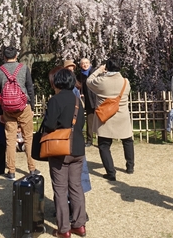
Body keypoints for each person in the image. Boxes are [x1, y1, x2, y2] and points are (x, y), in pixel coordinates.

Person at [44, 68, 88, 238]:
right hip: (77, 149)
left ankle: (64, 229)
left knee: (60, 189)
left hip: (60, 150)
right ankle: (79, 224)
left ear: (58, 82)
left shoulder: (55, 100)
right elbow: (81, 124)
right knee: (76, 186)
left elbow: (49, 125)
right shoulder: (78, 101)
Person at [0, 46, 38, 179]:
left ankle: (11, 171)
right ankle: (32, 168)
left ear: (4, 57)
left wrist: (0, 112)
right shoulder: (23, 68)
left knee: (10, 139)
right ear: (16, 56)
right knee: (28, 137)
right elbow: (30, 88)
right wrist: (32, 107)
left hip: (7, 108)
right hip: (23, 106)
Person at [86, 57, 134, 181]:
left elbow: (89, 81)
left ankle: (111, 173)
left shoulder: (101, 81)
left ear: (107, 67)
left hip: (105, 117)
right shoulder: (125, 82)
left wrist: (99, 70)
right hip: (122, 115)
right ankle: (130, 167)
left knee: (104, 145)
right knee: (127, 140)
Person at [78, 58, 97, 147]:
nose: (85, 65)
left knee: (101, 121)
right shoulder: (80, 75)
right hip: (88, 100)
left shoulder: (95, 72)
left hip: (97, 99)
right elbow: (80, 87)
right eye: (83, 64)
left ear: (90, 64)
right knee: (89, 121)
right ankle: (89, 140)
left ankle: (102, 140)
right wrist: (81, 93)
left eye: (86, 63)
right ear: (80, 65)